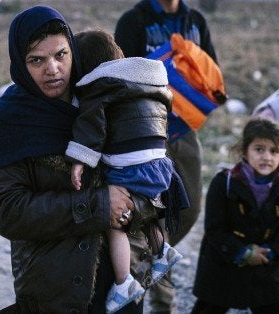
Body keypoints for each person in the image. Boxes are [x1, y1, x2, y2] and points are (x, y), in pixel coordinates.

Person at [0, 6, 162, 313]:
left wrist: (133, 209)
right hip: (55, 289)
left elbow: (155, 185)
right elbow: (8, 211)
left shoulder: (111, 100)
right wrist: (99, 205)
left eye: (60, 55)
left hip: (125, 284)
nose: (52, 69)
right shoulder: (11, 121)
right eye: (36, 60)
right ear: (20, 64)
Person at [67, 30, 185, 313]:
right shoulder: (150, 82)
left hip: (128, 167)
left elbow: (92, 127)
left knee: (116, 222)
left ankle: (123, 282)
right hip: (160, 165)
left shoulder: (99, 88)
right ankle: (162, 251)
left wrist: (80, 157)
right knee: (147, 208)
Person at [114, 0, 218, 311]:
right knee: (149, 211)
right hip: (145, 134)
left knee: (188, 208)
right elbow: (121, 75)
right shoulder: (133, 21)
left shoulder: (195, 20)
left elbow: (212, 69)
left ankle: (155, 264)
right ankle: (156, 298)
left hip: (185, 130)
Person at [191, 118, 279, 313]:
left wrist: (270, 251)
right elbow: (215, 228)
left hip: (265, 265)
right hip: (223, 265)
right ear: (244, 151)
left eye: (274, 151)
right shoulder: (223, 183)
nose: (267, 157)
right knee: (210, 308)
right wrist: (244, 253)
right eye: (259, 149)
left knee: (270, 308)